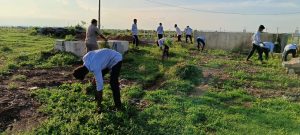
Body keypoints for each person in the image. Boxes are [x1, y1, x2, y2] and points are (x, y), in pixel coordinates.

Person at [73, 49, 123, 113]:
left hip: (116, 59)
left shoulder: (95, 68)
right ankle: (96, 98)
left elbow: (100, 87)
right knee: (94, 81)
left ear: (84, 75)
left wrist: (99, 106)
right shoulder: (85, 58)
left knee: (113, 83)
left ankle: (118, 106)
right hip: (106, 59)